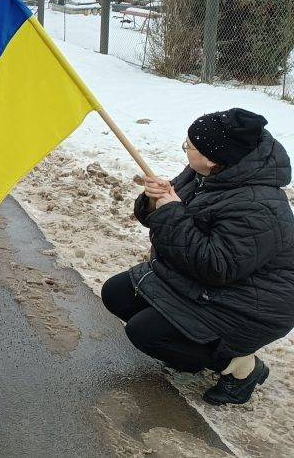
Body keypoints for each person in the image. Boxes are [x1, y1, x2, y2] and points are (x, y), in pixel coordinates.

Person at [101, 109, 294, 406]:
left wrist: (171, 213)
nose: (185, 149)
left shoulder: (261, 208)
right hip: (201, 282)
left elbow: (216, 266)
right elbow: (175, 213)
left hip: (250, 303)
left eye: (189, 147)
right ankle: (190, 351)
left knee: (145, 334)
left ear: (213, 158)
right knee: (116, 294)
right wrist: (155, 201)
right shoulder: (209, 171)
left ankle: (243, 369)